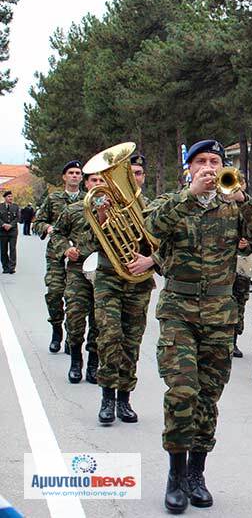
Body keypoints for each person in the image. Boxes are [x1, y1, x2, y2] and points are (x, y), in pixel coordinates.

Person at [145, 139, 252, 513]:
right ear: (188, 167)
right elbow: (150, 230)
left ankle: (196, 474)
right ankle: (175, 475)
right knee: (182, 390)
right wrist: (188, 195)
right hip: (178, 312)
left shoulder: (232, 206)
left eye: (215, 161)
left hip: (219, 312)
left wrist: (243, 199)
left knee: (207, 398)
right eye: (201, 161)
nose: (209, 167)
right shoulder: (171, 203)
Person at [89, 154, 157, 425]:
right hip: (109, 277)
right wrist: (102, 216)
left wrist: (150, 260)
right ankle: (106, 397)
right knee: (109, 336)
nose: (135, 177)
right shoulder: (101, 203)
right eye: (132, 172)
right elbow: (88, 240)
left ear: (142, 177)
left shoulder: (152, 207)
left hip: (139, 281)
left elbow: (164, 243)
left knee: (131, 340)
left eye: (139, 173)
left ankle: (124, 399)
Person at [50, 172, 103, 384]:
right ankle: (75, 360)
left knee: (99, 320)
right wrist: (65, 250)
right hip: (78, 271)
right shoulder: (72, 210)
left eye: (101, 180)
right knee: (75, 316)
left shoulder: (117, 211)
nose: (98, 184)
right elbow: (57, 233)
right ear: (86, 183)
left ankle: (93, 364)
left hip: (105, 272)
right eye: (94, 180)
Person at [34, 160, 86, 353]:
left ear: (82, 178)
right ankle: (57, 328)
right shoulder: (53, 198)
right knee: (54, 293)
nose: (74, 176)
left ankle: (71, 336)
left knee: (75, 301)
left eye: (78, 173)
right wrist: (46, 227)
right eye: (71, 172)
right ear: (64, 177)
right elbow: (37, 221)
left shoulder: (88, 199)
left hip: (79, 257)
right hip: (56, 254)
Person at [0, 191, 20, 273]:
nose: (10, 198)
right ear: (5, 198)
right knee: (3, 250)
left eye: (11, 196)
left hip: (13, 231)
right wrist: (3, 224)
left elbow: (18, 218)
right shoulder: (0, 206)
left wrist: (10, 225)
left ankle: (12, 268)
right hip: (2, 231)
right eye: (9, 196)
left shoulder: (15, 206)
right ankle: (5, 267)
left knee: (12, 249)